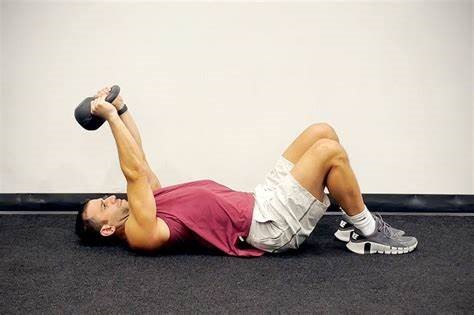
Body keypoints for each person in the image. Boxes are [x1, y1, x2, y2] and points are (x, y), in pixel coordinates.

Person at [75, 86, 417, 257]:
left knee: (320, 131)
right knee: (330, 153)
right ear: (107, 230)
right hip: (269, 226)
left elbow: (141, 161)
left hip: (260, 199)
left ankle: (352, 224)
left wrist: (120, 109)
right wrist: (107, 116)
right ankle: (370, 231)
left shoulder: (145, 204)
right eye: (102, 206)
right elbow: (134, 172)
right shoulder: (140, 231)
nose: (108, 198)